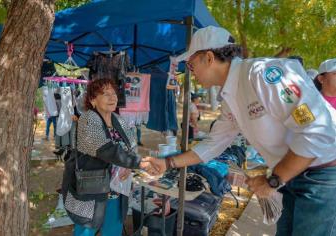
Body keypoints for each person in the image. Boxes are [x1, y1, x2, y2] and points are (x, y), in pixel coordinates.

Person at [140, 26, 336, 236]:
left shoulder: (263, 74)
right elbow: (213, 144)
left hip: (322, 175)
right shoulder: (229, 96)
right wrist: (167, 163)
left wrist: (273, 180)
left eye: (190, 63)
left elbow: (317, 130)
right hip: (294, 174)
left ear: (208, 57)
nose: (190, 71)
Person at [63, 78, 141, 236]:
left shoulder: (118, 120)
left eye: (114, 93)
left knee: (113, 230)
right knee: (86, 229)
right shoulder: (88, 119)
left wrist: (129, 164)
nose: (112, 97)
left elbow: (132, 145)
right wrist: (137, 162)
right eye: (106, 94)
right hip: (91, 190)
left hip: (117, 190)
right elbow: (106, 150)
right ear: (93, 100)